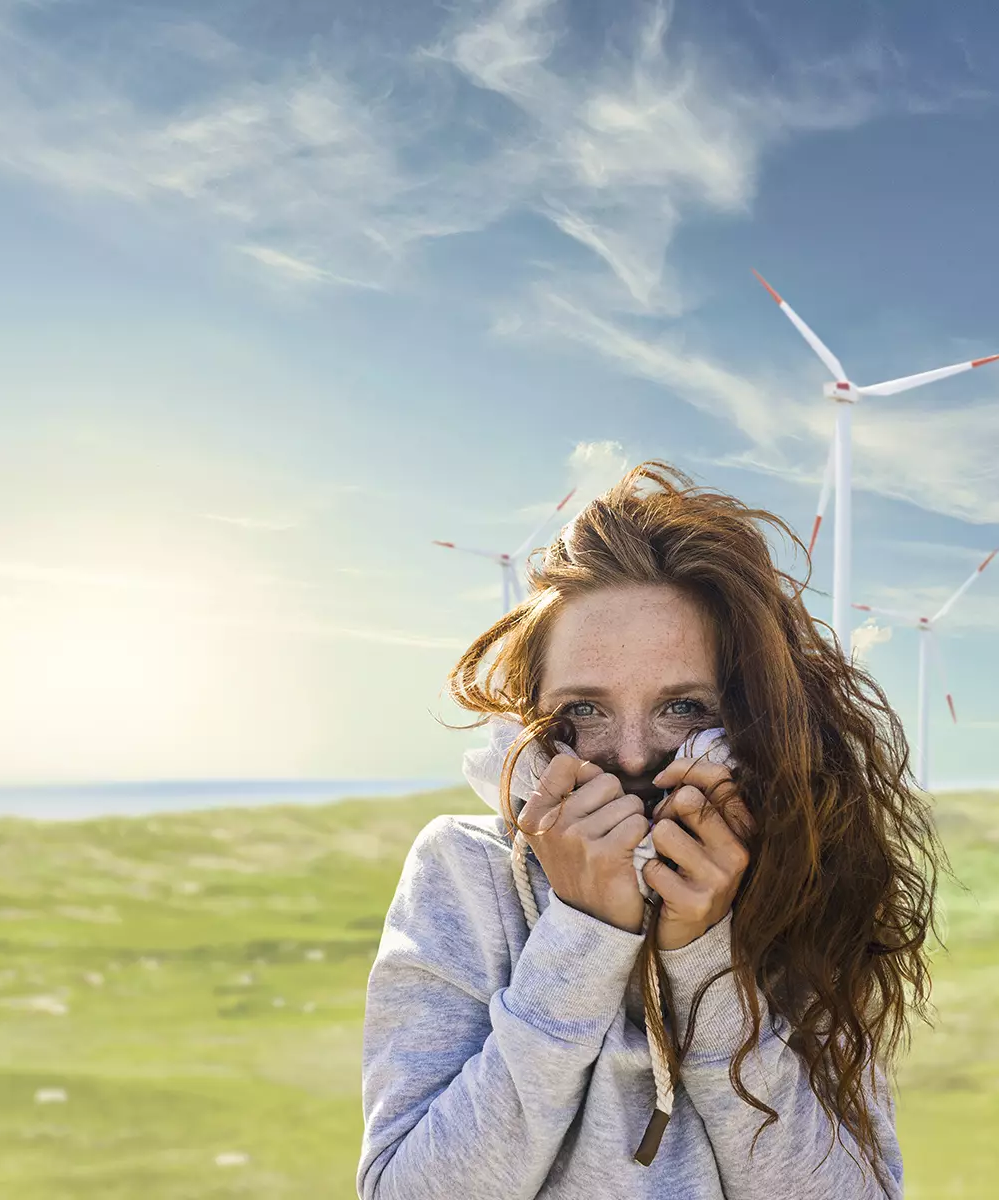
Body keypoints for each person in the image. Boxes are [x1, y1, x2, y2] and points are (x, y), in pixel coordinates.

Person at [357, 461, 939, 1198]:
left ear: (750, 714)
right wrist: (582, 934)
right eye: (587, 710)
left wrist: (704, 960)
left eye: (685, 708)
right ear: (534, 713)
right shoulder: (463, 872)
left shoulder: (803, 873)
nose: (632, 755)